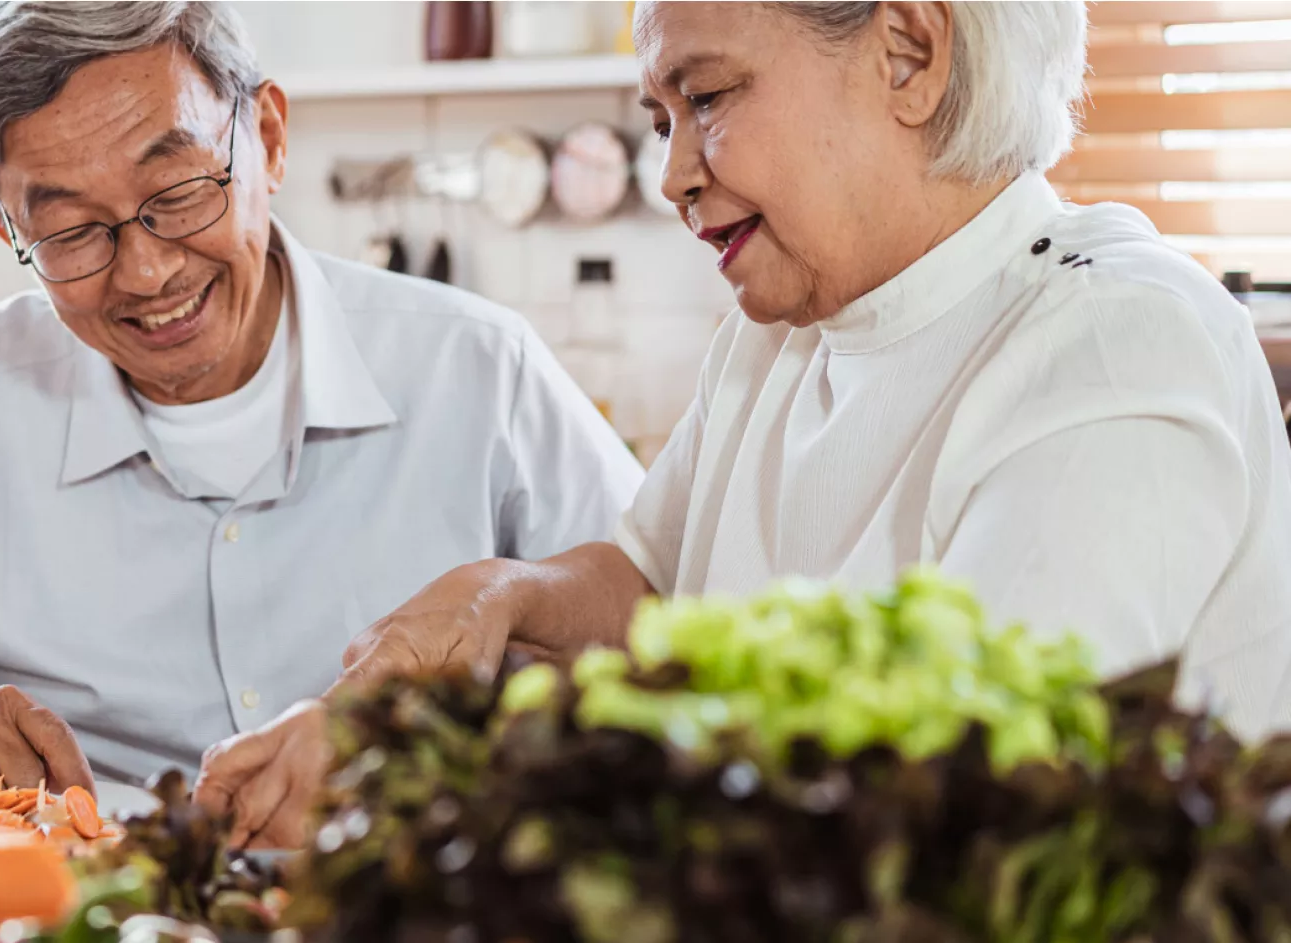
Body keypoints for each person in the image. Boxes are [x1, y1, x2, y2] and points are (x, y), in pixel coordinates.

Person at [197, 0, 1291, 848]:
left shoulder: (1108, 340)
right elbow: (653, 592)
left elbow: (966, 807)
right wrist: (499, 598)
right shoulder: (786, 327)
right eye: (660, 119)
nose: (673, 174)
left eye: (707, 99)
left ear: (908, 53)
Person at [0, 1, 642, 806]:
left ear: (266, 137)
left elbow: (668, 624)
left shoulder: (477, 367)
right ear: (3, 225)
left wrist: (494, 626)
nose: (146, 270)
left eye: (177, 191)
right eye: (71, 231)